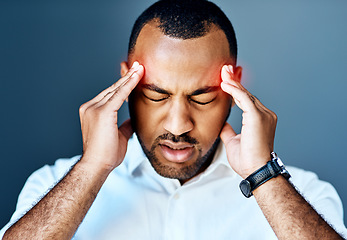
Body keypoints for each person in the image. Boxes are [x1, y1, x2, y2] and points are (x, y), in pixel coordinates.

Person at [1, 0, 346, 239]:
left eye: (202, 96)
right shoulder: (50, 185)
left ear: (235, 86)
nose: (179, 125)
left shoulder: (306, 197)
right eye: (156, 94)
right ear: (126, 81)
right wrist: (92, 169)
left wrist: (264, 176)